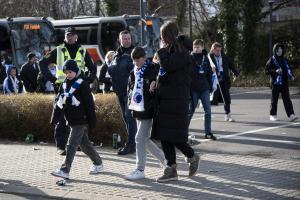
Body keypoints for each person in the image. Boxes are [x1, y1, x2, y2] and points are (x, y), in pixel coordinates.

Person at [153, 21, 200, 183]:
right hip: (166, 99)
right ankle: (171, 169)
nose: (161, 39)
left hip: (177, 99)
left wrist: (160, 52)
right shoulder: (172, 50)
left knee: (176, 136)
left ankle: (192, 156)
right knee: (165, 135)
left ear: (169, 36)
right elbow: (165, 72)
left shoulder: (182, 52)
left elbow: (169, 65)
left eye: (163, 36)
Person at [39, 27, 97, 155]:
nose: (70, 37)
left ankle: (78, 144)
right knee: (61, 117)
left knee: (80, 117)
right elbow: (42, 63)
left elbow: (93, 68)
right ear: (65, 36)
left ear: (76, 36)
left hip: (78, 88)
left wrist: (88, 81)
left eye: (72, 35)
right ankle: (61, 146)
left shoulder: (82, 50)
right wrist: (52, 79)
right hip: (63, 87)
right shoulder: (58, 50)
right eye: (68, 35)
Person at [50, 60, 103, 179]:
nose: (68, 74)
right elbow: (59, 103)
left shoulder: (82, 84)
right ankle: (98, 163)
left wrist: (92, 121)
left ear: (76, 71)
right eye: (66, 72)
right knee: (85, 145)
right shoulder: (64, 84)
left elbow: (89, 105)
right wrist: (55, 119)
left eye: (70, 72)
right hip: (71, 120)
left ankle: (65, 170)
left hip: (81, 120)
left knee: (71, 145)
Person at [126, 47, 167, 180]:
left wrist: (155, 82)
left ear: (144, 57)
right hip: (137, 108)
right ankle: (165, 161)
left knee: (139, 138)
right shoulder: (133, 72)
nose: (136, 62)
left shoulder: (152, 68)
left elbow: (159, 76)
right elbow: (130, 88)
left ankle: (140, 169)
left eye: (139, 59)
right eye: (134, 60)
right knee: (144, 139)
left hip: (148, 109)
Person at [108, 30, 137, 155]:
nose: (127, 40)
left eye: (128, 38)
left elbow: (136, 70)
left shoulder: (134, 53)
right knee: (126, 118)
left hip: (130, 92)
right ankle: (132, 143)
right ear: (120, 40)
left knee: (130, 118)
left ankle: (131, 145)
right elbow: (112, 70)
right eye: (124, 38)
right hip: (119, 90)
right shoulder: (116, 54)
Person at [189, 39, 216, 140]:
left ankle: (208, 132)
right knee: (190, 111)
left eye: (198, 47)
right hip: (193, 89)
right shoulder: (189, 58)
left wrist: (210, 87)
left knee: (208, 111)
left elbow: (209, 73)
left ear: (202, 47)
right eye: (194, 47)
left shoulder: (205, 58)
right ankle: (183, 132)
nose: (196, 49)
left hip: (204, 88)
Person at [265, 43, 298, 122]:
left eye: (281, 50)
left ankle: (291, 115)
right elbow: (266, 71)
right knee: (274, 99)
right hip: (275, 83)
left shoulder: (284, 59)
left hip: (284, 82)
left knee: (287, 99)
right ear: (275, 51)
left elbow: (288, 68)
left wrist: (291, 75)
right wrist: (275, 71)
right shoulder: (272, 60)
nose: (280, 51)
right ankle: (273, 115)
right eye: (278, 50)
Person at [208, 42, 239, 122]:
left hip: (223, 80)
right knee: (209, 99)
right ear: (213, 50)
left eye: (220, 50)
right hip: (213, 80)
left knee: (226, 99)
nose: (219, 52)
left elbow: (231, 65)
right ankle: (207, 114)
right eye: (217, 51)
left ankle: (228, 116)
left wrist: (235, 73)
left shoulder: (224, 57)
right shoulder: (209, 57)